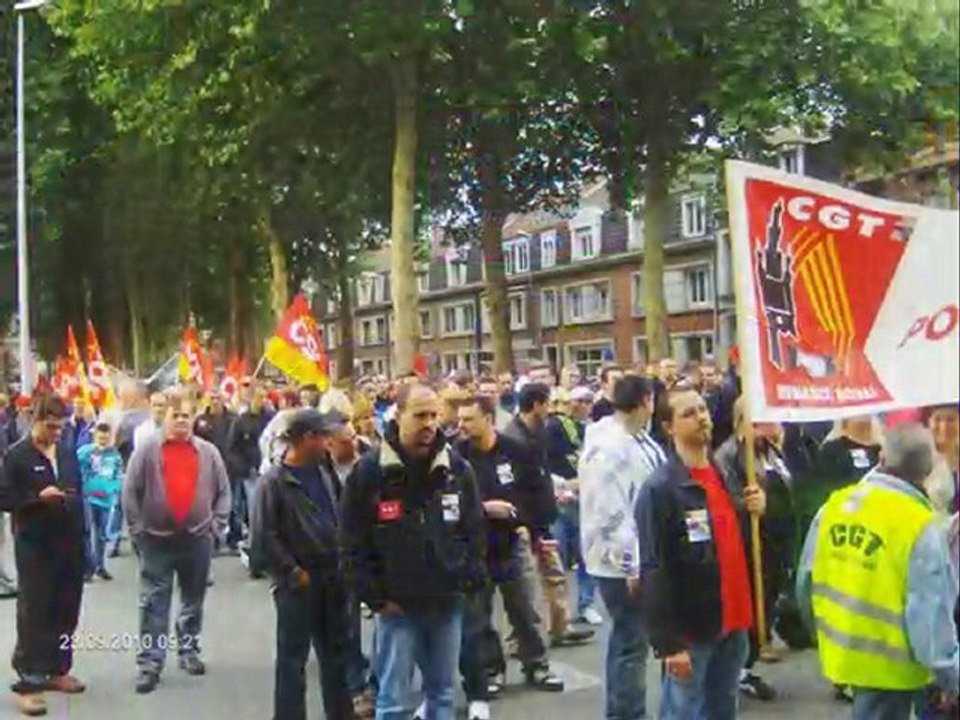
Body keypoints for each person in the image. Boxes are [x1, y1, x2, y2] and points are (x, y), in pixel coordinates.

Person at [341, 383, 486, 720]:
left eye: (434, 415)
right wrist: (374, 597)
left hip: (446, 600)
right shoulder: (370, 472)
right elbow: (351, 540)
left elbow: (474, 529)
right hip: (397, 606)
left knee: (442, 694)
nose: (429, 424)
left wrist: (466, 578)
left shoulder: (457, 469)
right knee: (393, 700)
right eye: (420, 415)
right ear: (398, 415)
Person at [797, 423, 959, 720]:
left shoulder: (835, 505)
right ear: (926, 471)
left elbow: (805, 581)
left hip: (842, 651)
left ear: (882, 457)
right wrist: (949, 676)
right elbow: (929, 618)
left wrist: (818, 632)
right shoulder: (921, 526)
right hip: (892, 668)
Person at [635, 385, 766, 720]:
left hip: (733, 621)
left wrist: (753, 506)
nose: (701, 419)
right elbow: (654, 568)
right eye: (688, 414)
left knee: (723, 708)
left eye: (703, 410)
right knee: (683, 712)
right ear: (668, 426)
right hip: (693, 628)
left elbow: (732, 535)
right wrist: (669, 644)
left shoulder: (724, 473)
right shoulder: (660, 489)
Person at [455, 396, 565, 720]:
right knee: (479, 613)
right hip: (475, 545)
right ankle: (491, 670)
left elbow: (539, 492)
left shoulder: (516, 450)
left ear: (489, 418)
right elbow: (449, 501)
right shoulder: (456, 457)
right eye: (460, 420)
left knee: (524, 607)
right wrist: (484, 508)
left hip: (512, 541)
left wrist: (532, 528)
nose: (461, 426)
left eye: (468, 419)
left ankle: (537, 664)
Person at [123, 389, 231, 694]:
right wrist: (137, 531)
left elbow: (224, 492)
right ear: (164, 418)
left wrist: (216, 527)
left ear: (194, 418)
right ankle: (150, 664)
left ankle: (188, 651)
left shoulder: (209, 452)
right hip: (156, 541)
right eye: (176, 415)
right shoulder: (146, 450)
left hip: (198, 540)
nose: (182, 420)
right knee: (153, 603)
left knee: (193, 601)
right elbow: (130, 492)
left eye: (187, 415)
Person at [253, 409, 353, 720]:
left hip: (333, 577)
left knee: (336, 655)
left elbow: (339, 513)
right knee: (292, 661)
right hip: (299, 583)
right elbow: (264, 538)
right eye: (323, 436)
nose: (328, 442)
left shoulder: (325, 471)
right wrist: (294, 573)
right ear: (307, 438)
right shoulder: (274, 483)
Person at [580, 375, 666, 720]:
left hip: (637, 553)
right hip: (620, 561)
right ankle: (625, 714)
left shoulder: (636, 439)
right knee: (630, 642)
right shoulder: (611, 447)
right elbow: (611, 511)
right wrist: (632, 563)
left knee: (632, 641)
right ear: (647, 400)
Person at [2, 393, 87, 717]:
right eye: (50, 427)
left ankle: (58, 669)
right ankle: (29, 680)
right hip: (35, 546)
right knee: (35, 612)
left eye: (61, 428)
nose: (56, 433)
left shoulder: (66, 452)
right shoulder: (17, 456)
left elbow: (77, 489)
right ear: (34, 421)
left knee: (67, 610)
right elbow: (5, 497)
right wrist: (38, 498)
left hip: (69, 542)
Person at [715, 400, 794, 701]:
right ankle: (736, 670)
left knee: (766, 603)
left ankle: (745, 665)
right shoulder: (730, 454)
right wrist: (749, 504)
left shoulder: (770, 450)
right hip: (749, 544)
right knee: (748, 607)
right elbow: (729, 499)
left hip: (774, 541)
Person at [504, 383, 593, 647]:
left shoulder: (539, 431)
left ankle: (560, 626)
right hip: (526, 520)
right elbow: (517, 484)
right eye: (548, 402)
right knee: (526, 583)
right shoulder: (513, 438)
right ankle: (521, 636)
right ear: (537, 405)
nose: (552, 408)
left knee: (554, 574)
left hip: (543, 514)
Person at [544, 388, 599, 625]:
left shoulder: (590, 431)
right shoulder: (549, 429)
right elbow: (540, 464)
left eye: (587, 401)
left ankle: (586, 604)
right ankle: (559, 614)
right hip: (557, 500)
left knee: (587, 555)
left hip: (582, 499)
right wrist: (559, 486)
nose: (581, 405)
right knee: (557, 560)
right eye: (576, 401)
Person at [77, 421, 124, 582]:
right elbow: (76, 469)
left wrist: (114, 490)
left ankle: (100, 565)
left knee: (102, 534)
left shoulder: (114, 455)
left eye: (106, 436)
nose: (103, 439)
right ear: (94, 435)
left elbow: (118, 475)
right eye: (100, 435)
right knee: (87, 532)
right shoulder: (85, 452)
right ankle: (88, 567)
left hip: (105, 499)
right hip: (88, 498)